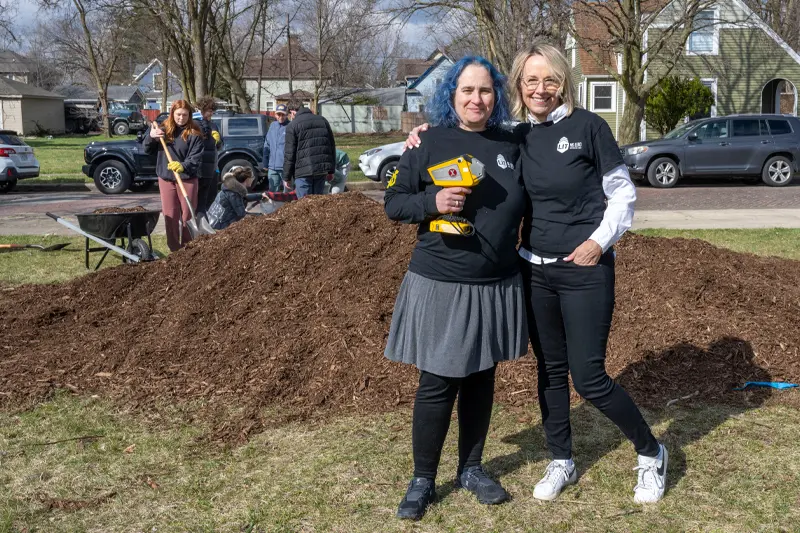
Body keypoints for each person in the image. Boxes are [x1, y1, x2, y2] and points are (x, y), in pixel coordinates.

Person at [405, 42, 668, 505]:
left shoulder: (589, 126)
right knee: (549, 373)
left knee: (588, 379)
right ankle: (561, 457)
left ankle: (651, 452)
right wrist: (423, 133)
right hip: (534, 271)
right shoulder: (517, 135)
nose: (540, 88)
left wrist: (597, 243)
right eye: (531, 80)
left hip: (584, 269)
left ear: (563, 80)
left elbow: (622, 193)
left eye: (549, 79)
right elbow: (465, 137)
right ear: (520, 87)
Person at [384, 56, 528, 521]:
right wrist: (433, 200)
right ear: (452, 95)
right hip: (442, 279)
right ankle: (423, 479)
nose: (476, 99)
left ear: (496, 97)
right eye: (467, 90)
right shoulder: (429, 141)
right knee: (439, 380)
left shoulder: (512, 141)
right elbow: (394, 203)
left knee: (482, 376)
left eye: (485, 91)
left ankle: (472, 468)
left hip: (495, 280)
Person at [142, 99, 204, 251]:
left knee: (188, 215)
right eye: (178, 114)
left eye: (184, 115)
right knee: (170, 214)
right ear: (172, 114)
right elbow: (146, 149)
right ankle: (174, 248)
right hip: (166, 178)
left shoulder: (195, 132)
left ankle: (188, 247)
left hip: (188, 178)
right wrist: (151, 137)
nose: (181, 118)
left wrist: (182, 166)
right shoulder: (163, 129)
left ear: (189, 115)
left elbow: (196, 158)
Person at [282, 104, 336, 198]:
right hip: (321, 170)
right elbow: (331, 147)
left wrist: (286, 177)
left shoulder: (292, 125)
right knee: (317, 203)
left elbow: (289, 154)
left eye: (290, 115)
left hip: (303, 172)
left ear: (292, 112)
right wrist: (331, 170)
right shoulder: (323, 120)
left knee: (304, 206)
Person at [193, 96, 223, 217]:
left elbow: (219, 146)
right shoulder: (194, 124)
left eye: (212, 110)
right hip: (198, 168)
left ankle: (208, 221)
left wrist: (218, 141)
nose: (211, 113)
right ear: (201, 109)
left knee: (210, 199)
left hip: (212, 168)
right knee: (197, 200)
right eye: (208, 110)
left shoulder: (214, 125)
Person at [205, 166, 254, 230]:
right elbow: (242, 214)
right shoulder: (234, 194)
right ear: (247, 179)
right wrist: (261, 216)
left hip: (212, 222)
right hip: (218, 227)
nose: (253, 179)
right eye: (252, 177)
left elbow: (244, 197)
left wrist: (260, 196)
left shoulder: (230, 187)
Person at [262, 104, 290, 192]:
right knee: (273, 193)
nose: (280, 117)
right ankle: (275, 206)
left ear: (287, 115)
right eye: (279, 114)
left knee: (288, 194)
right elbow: (267, 144)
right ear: (275, 114)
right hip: (272, 167)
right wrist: (265, 162)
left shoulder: (291, 126)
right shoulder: (272, 126)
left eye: (283, 115)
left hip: (285, 167)